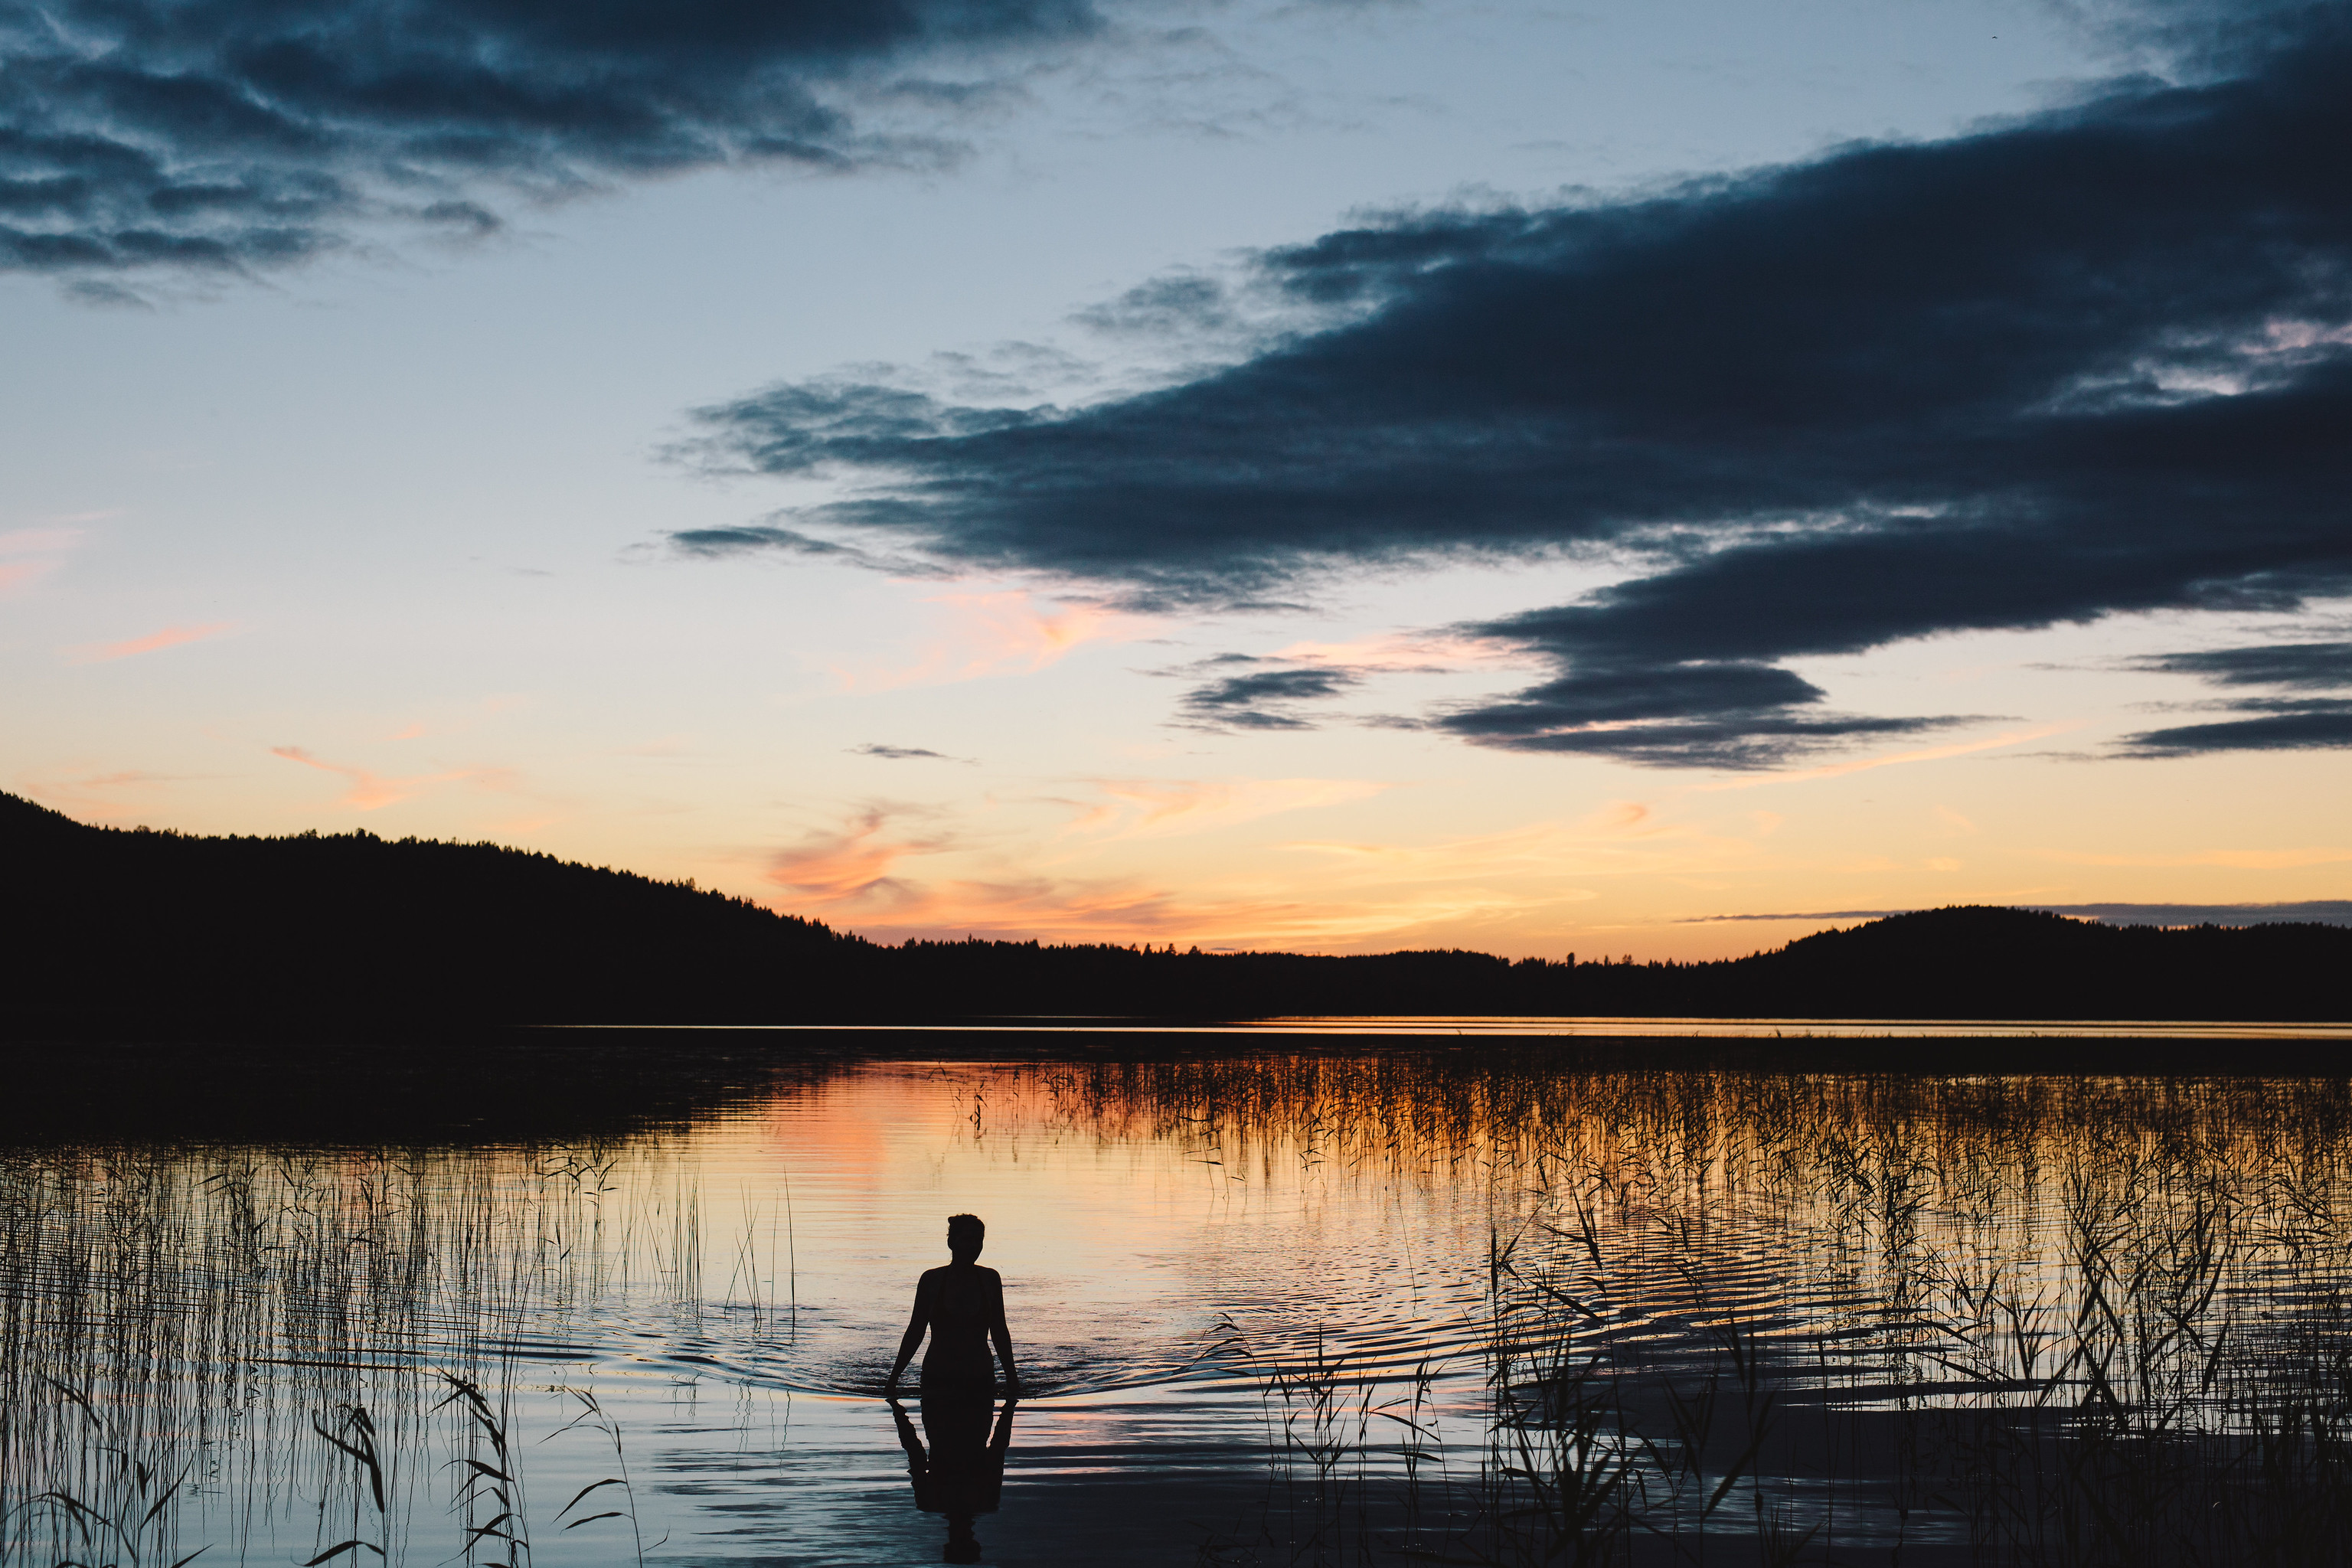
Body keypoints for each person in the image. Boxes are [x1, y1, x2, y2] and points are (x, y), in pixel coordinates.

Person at [885, 1213, 1024, 1396]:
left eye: (978, 1240)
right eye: (967, 1239)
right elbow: (915, 1331)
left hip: (981, 1379)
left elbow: (999, 1332)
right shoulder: (931, 1280)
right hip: (937, 1378)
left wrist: (1012, 1379)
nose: (973, 1246)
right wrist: (894, 1378)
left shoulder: (990, 1279)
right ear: (951, 1242)